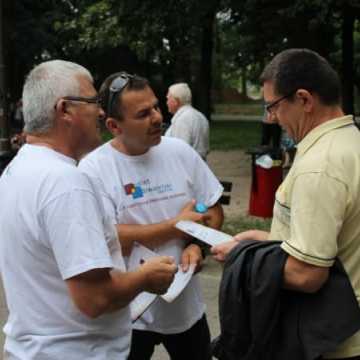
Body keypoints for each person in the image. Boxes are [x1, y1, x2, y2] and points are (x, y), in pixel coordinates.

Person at [0, 60, 177, 360]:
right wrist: (146, 276)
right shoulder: (66, 183)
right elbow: (95, 299)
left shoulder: (16, 171)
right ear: (64, 110)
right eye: (93, 101)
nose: (101, 112)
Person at [211, 48, 360, 359]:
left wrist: (244, 257)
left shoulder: (320, 165)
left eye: (273, 107)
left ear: (304, 99)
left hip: (335, 341)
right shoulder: (350, 140)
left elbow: (308, 274)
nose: (272, 118)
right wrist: (267, 241)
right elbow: (335, 241)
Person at [79, 72, 224, 360]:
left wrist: (197, 246)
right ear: (113, 125)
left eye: (156, 107)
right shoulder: (93, 170)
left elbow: (213, 209)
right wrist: (175, 226)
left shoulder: (180, 152)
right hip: (129, 314)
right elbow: (107, 237)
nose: (157, 118)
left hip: (186, 309)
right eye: (143, 114)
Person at [165, 82, 209, 160]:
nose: (167, 102)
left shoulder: (183, 119)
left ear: (176, 101)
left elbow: (180, 152)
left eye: (168, 99)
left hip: (186, 168)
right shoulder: (200, 116)